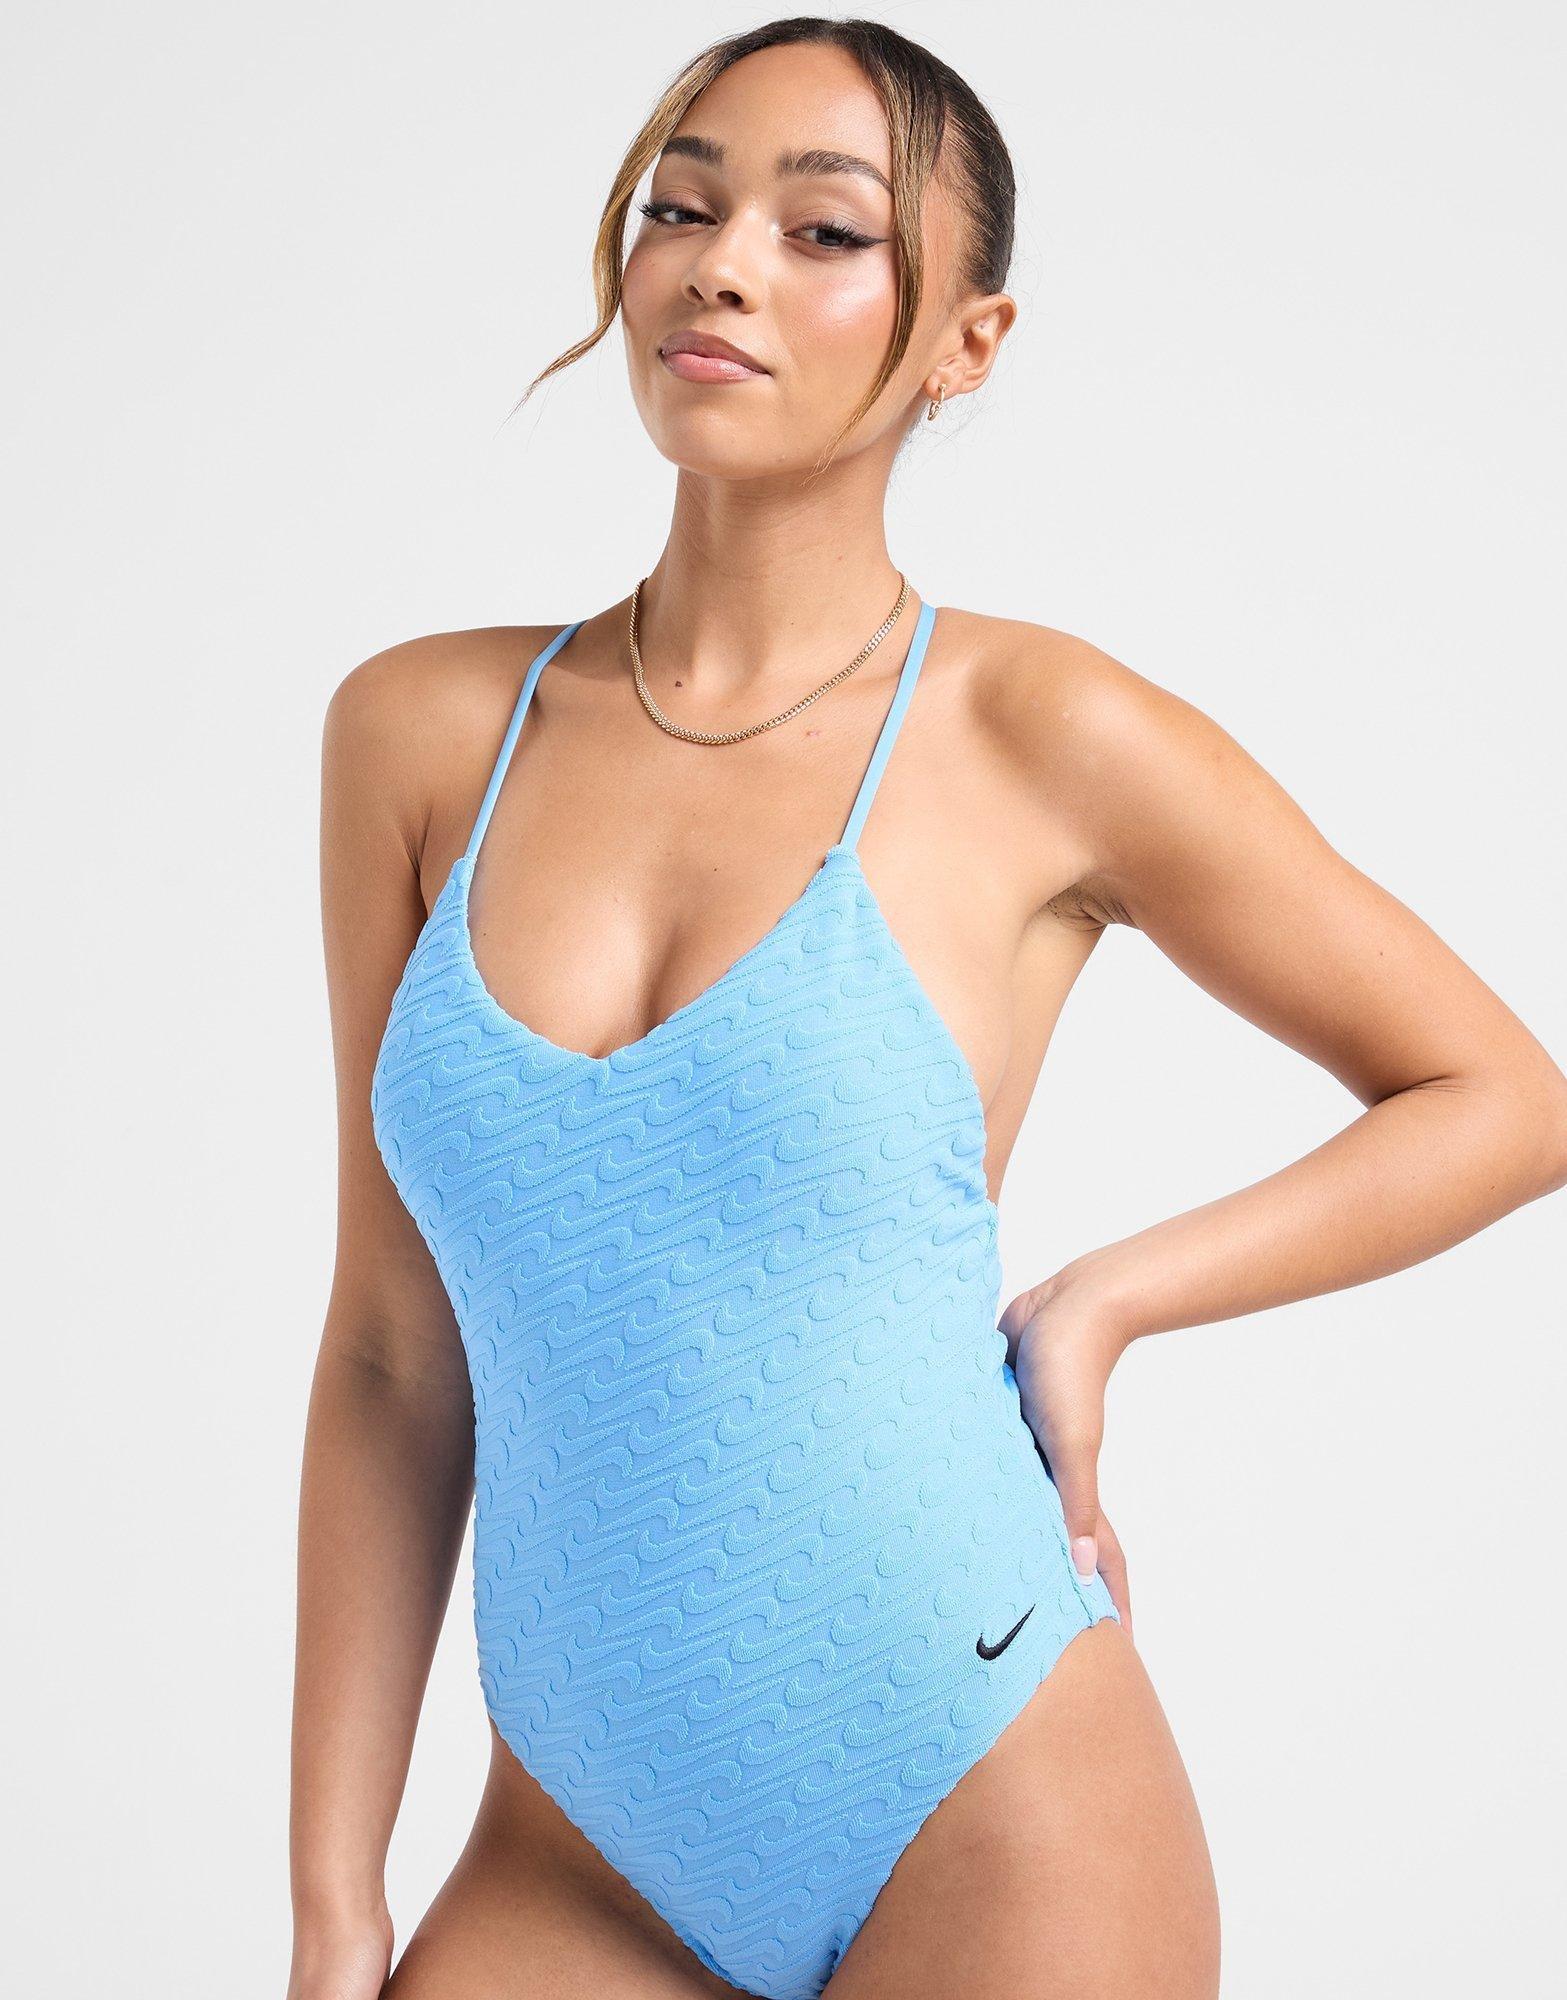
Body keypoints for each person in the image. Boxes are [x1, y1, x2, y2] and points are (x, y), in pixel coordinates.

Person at [288, 18, 1567, 2000]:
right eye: (682, 208)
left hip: (989, 1792)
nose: (724, 266)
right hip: (572, 1848)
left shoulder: (1035, 730)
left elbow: (1501, 1094)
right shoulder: (422, 732)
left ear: (968, 342)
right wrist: (333, 1903)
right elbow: (391, 1354)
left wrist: (1107, 1299)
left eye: (825, 232)